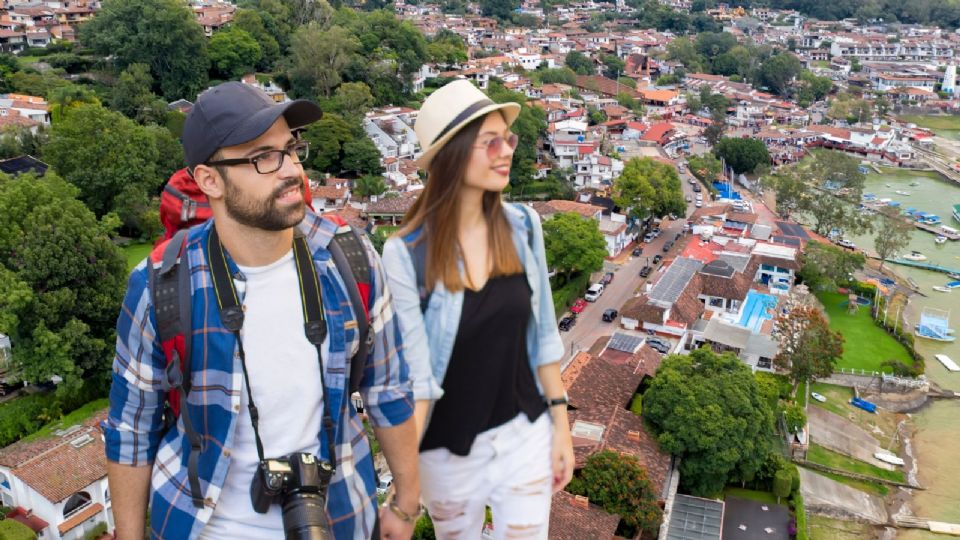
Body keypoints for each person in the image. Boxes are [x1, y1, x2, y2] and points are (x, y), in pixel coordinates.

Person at [104, 81, 421, 540]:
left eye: (290, 150)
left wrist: (407, 503)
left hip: (339, 518)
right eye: (263, 157)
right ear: (209, 179)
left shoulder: (348, 259)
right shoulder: (162, 285)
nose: (291, 169)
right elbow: (131, 429)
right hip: (202, 524)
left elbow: (388, 389)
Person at [381, 80, 574, 539]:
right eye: (489, 142)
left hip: (523, 433)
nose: (505, 151)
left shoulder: (523, 226)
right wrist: (404, 497)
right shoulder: (407, 252)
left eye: (507, 138)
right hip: (447, 452)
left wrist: (561, 426)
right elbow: (421, 382)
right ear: (452, 154)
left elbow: (544, 336)